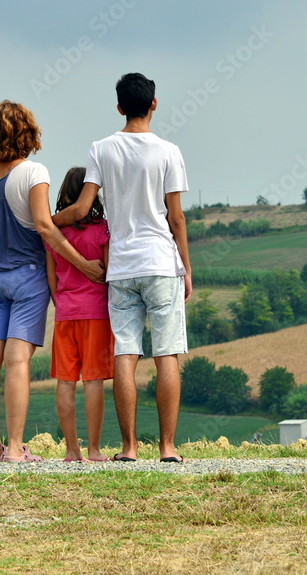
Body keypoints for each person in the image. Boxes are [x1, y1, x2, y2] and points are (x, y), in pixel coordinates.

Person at [0, 100, 105, 463]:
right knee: (17, 362)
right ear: (29, 133)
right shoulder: (34, 173)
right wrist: (84, 265)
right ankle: (16, 449)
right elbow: (45, 226)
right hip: (28, 277)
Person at [53, 73, 191, 463]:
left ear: (118, 107)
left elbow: (81, 209)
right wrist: (186, 267)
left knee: (125, 354)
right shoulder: (169, 151)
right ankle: (167, 448)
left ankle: (128, 448)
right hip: (162, 262)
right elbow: (176, 218)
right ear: (154, 104)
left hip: (121, 266)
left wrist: (45, 224)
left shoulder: (101, 149)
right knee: (167, 355)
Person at [46, 167, 114, 463]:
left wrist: (61, 304)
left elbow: (51, 279)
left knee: (65, 381)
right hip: (97, 313)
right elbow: (110, 272)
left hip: (65, 312)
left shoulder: (53, 232)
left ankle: (72, 450)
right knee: (93, 381)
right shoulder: (104, 230)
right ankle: (95, 450)